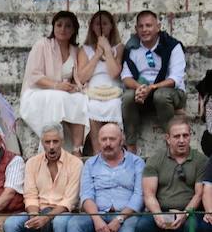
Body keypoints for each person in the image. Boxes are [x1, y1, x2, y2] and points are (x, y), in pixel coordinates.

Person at [61, 123, 144, 232]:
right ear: (98, 142)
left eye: (112, 139)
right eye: (103, 139)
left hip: (126, 214)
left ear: (121, 140)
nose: (107, 143)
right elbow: (86, 196)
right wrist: (96, 219)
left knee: (128, 229)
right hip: (97, 213)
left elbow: (139, 196)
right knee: (73, 225)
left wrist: (120, 218)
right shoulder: (90, 164)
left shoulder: (136, 163)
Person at [4, 125, 82, 232]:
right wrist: (34, 216)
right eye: (48, 142)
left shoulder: (75, 163)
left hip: (62, 212)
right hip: (37, 210)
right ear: (42, 143)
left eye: (55, 141)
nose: (51, 146)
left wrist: (46, 218)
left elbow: (70, 200)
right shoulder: (32, 163)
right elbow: (30, 195)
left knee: (61, 223)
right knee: (10, 224)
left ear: (62, 141)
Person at [134, 118, 207, 232]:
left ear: (190, 136)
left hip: (189, 211)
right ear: (168, 138)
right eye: (176, 136)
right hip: (162, 210)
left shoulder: (201, 160)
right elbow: (149, 194)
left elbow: (198, 194)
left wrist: (185, 213)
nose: (181, 140)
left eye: (185, 135)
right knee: (142, 227)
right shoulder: (155, 160)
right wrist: (157, 214)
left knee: (196, 227)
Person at [19, 10, 86, 154]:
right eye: (59, 25)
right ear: (53, 27)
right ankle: (50, 145)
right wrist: (57, 86)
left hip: (61, 92)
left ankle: (77, 149)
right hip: (37, 92)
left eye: (68, 26)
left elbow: (75, 78)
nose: (63, 29)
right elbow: (34, 76)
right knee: (58, 97)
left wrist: (74, 87)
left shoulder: (74, 50)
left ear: (74, 30)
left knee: (81, 99)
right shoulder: (42, 45)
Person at [120, 10, 187, 148]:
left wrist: (152, 88)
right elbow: (126, 76)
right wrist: (140, 87)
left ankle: (172, 141)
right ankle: (131, 144)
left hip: (170, 92)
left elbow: (175, 79)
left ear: (158, 27)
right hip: (143, 92)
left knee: (161, 96)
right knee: (127, 97)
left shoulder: (172, 46)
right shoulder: (132, 48)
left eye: (149, 25)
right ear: (136, 29)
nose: (145, 30)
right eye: (141, 26)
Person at [76, 9, 124, 148]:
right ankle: (97, 150)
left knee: (114, 105)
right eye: (97, 23)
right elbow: (82, 77)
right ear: (92, 27)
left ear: (111, 26)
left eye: (104, 23)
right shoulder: (84, 49)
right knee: (92, 107)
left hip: (113, 89)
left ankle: (115, 147)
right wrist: (97, 54)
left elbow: (114, 72)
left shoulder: (119, 48)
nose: (101, 27)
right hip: (93, 91)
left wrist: (107, 49)